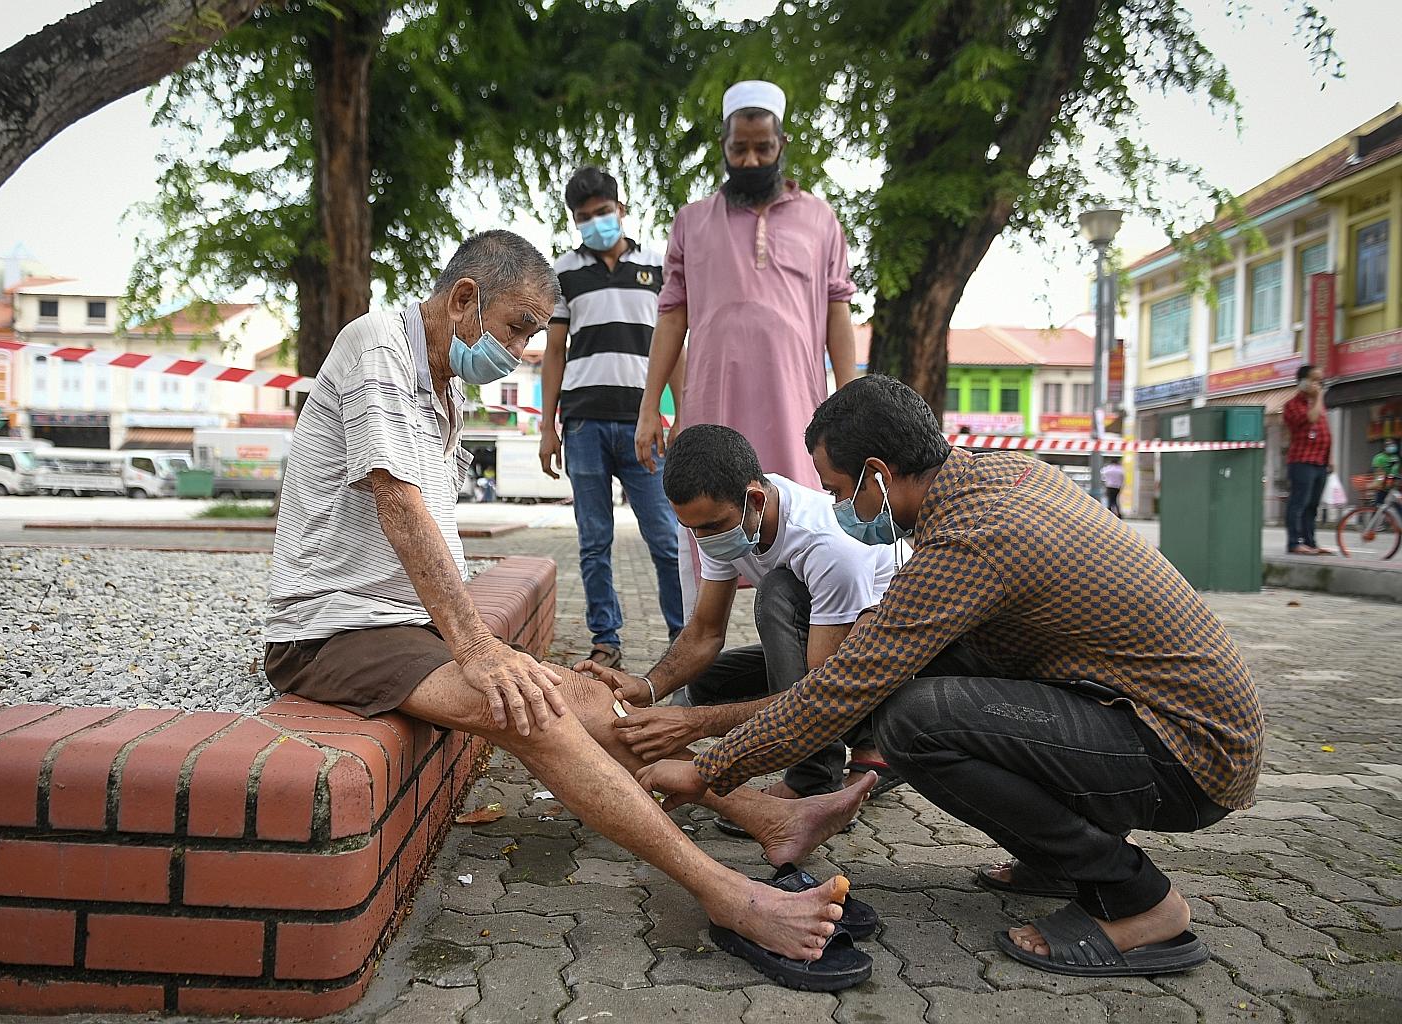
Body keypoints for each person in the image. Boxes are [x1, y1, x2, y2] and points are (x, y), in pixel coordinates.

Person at [264, 230, 877, 989]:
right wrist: (481, 651)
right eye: (519, 328)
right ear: (464, 300)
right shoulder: (376, 349)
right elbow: (399, 505)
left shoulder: (442, 383)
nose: (524, 350)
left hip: (404, 627)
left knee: (585, 694)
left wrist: (495, 650)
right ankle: (729, 896)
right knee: (532, 712)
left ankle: (765, 816)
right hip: (335, 631)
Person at [639, 375, 1265, 980]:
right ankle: (1056, 860)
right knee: (919, 686)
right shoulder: (998, 479)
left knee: (917, 719)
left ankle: (1140, 902)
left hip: (1189, 754)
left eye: (838, 491)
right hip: (1144, 719)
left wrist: (708, 769)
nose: (835, 508)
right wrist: (839, 797)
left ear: (879, 475)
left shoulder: (971, 538)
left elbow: (843, 685)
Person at [579, 424, 909, 816]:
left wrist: (697, 727)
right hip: (832, 651)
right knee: (703, 681)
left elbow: (824, 692)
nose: (703, 539)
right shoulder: (728, 522)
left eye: (711, 527)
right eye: (692, 529)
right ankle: (873, 748)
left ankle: (816, 780)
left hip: (891, 664)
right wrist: (647, 687)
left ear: (754, 498)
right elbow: (704, 633)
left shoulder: (826, 543)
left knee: (777, 594)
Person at [634, 78, 857, 511]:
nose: (750, 160)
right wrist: (649, 409)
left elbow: (838, 312)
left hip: (796, 405)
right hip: (712, 401)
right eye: (739, 149)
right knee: (711, 521)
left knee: (797, 524)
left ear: (782, 144)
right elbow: (671, 318)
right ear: (723, 145)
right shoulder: (691, 222)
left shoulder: (819, 219)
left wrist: (851, 407)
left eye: (763, 148)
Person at [539, 166, 684, 668]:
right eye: (585, 217)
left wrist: (681, 413)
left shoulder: (659, 267)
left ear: (621, 209)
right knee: (593, 539)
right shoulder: (562, 273)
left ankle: (682, 639)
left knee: (666, 537)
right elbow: (555, 351)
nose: (596, 222)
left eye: (603, 212)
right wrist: (546, 427)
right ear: (574, 222)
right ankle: (607, 640)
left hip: (644, 423)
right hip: (582, 424)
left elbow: (675, 346)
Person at [1282, 364, 1333, 555]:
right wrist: (1319, 397)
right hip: (1302, 461)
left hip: (1320, 462)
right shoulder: (1293, 405)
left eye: (1320, 381)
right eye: (1314, 380)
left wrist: (1330, 458)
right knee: (1299, 503)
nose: (1318, 385)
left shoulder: (1320, 406)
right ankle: (1294, 543)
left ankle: (1311, 542)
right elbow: (1311, 419)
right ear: (1302, 382)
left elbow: (1325, 431)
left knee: (1313, 505)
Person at [1371, 437, 1400, 505]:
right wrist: (1379, 482)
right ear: (1384, 446)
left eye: (1393, 445)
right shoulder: (1379, 458)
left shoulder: (1395, 457)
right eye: (1389, 445)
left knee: (1396, 504)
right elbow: (1378, 472)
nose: (1392, 446)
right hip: (1383, 485)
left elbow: (1395, 471)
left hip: (1393, 484)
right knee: (1378, 504)